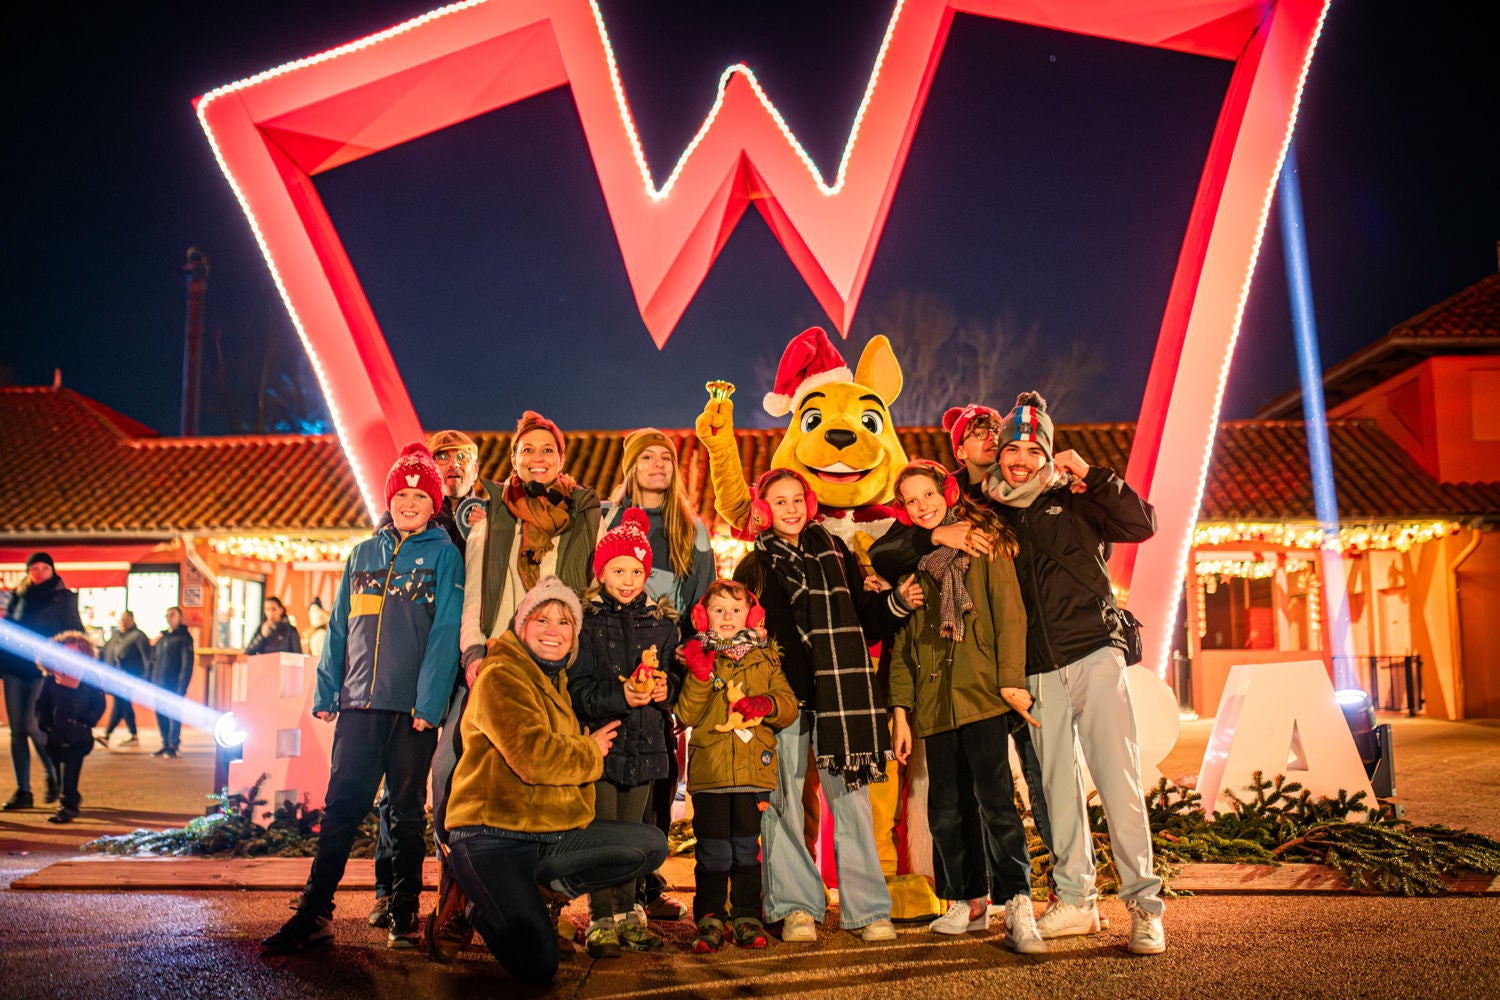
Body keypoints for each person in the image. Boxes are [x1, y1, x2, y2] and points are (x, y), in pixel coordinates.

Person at [262, 443, 463, 954]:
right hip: (356, 707)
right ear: (390, 498)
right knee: (341, 809)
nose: (411, 503)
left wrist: (429, 704)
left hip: (410, 713)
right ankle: (315, 912)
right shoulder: (362, 555)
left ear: (434, 502)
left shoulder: (444, 557)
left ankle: (403, 913)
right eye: (403, 494)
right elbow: (338, 628)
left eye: (422, 494)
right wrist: (328, 689)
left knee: (406, 814)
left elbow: (444, 634)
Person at [985, 391, 1166, 956]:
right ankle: (1076, 900)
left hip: (1093, 651)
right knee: (1059, 788)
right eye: (1010, 448)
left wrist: (1094, 474)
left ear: (1047, 454)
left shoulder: (1081, 497)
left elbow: (1141, 524)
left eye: (1030, 448)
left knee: (1118, 780)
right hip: (1038, 666)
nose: (1019, 457)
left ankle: (1144, 907)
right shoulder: (991, 510)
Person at [438, 576, 668, 985]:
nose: (553, 631)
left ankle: (544, 889)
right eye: (541, 620)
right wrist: (589, 750)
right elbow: (533, 758)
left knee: (648, 845)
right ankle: (473, 903)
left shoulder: (554, 681)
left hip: (544, 835)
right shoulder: (502, 675)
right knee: (539, 965)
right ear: (521, 626)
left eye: (564, 623)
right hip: (491, 834)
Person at [426, 413, 600, 946]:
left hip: (552, 663)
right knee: (452, 770)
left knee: (545, 773)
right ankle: (454, 893)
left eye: (548, 450)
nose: (538, 458)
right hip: (496, 656)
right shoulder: (493, 516)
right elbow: (475, 589)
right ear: (516, 459)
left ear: (560, 458)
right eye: (529, 451)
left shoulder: (581, 517)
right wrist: (475, 650)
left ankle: (539, 895)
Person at [732, 468, 919, 943]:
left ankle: (868, 909)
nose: (791, 508)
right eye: (780, 501)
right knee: (783, 803)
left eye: (798, 498)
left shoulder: (836, 552)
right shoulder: (753, 566)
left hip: (842, 698)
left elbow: (865, 620)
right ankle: (796, 907)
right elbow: (744, 635)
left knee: (851, 802)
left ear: (809, 503)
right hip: (785, 701)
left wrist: (896, 601)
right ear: (763, 509)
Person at [887, 460, 1044, 953]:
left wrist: (1011, 680)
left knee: (996, 801)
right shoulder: (915, 560)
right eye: (911, 501)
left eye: (927, 495)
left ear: (946, 491)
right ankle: (967, 898)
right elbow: (904, 645)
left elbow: (1010, 613)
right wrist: (900, 711)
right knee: (946, 808)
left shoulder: (982, 543)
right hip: (934, 700)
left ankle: (1016, 899)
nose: (922, 506)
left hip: (980, 694)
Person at [369, 428, 483, 930]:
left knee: (458, 783)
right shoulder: (403, 520)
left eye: (463, 457)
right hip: (412, 672)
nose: (453, 464)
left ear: (478, 467)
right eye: (442, 457)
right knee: (401, 788)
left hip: (468, 674)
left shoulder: (489, 517)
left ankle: (458, 892)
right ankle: (388, 888)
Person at [602, 427, 715, 920]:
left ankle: (646, 880)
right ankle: (611, 891)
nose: (656, 465)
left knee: (661, 777)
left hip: (668, 670)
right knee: (612, 779)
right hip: (612, 665)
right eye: (646, 457)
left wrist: (689, 669)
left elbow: (702, 605)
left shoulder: (690, 529)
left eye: (664, 458)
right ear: (631, 466)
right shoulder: (608, 522)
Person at [567, 509, 682, 956]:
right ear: (602, 572)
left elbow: (675, 680)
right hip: (605, 744)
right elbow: (581, 692)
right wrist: (622, 697)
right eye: (618, 570)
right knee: (603, 832)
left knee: (635, 832)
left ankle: (631, 914)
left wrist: (661, 689)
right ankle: (601, 917)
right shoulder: (589, 624)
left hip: (649, 745)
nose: (629, 579)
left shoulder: (663, 624)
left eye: (637, 570)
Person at [676, 580, 798, 953]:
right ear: (704, 616)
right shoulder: (699, 656)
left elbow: (789, 706)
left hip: (752, 774)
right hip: (711, 773)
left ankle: (747, 915)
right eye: (718, 610)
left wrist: (765, 704)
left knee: (747, 850)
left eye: (735, 609)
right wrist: (699, 676)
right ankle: (710, 917)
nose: (727, 616)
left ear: (751, 614)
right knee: (713, 851)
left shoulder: (766, 658)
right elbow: (686, 713)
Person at [1, 552, 80, 809]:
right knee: (16, 731)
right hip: (15, 666)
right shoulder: (19, 595)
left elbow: (75, 632)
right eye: (33, 567)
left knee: (32, 725)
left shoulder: (63, 597)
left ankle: (52, 773)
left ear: (52, 570)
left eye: (43, 566)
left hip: (44, 667)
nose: (38, 570)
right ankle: (24, 790)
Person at [34, 631, 107, 823]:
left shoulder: (89, 679)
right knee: (58, 768)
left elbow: (98, 704)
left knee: (72, 766)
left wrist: (86, 723)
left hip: (78, 735)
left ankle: (68, 806)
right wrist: (46, 725)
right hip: (55, 735)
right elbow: (42, 705)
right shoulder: (52, 679)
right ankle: (70, 794)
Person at [98, 611, 152, 747]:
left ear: (131, 620)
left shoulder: (138, 636)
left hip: (130, 676)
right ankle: (132, 733)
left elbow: (147, 658)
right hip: (114, 677)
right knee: (123, 704)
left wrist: (146, 678)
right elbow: (105, 651)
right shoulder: (116, 635)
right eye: (120, 620)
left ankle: (107, 734)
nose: (121, 622)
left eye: (124, 620)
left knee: (121, 703)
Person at [150, 607, 195, 758]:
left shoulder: (184, 637)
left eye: (173, 615)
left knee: (173, 714)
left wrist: (182, 686)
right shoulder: (163, 637)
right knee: (161, 713)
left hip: (174, 683)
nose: (169, 618)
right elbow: (154, 659)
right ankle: (165, 742)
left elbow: (186, 664)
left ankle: (173, 744)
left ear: (180, 617)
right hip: (159, 682)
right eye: (167, 615)